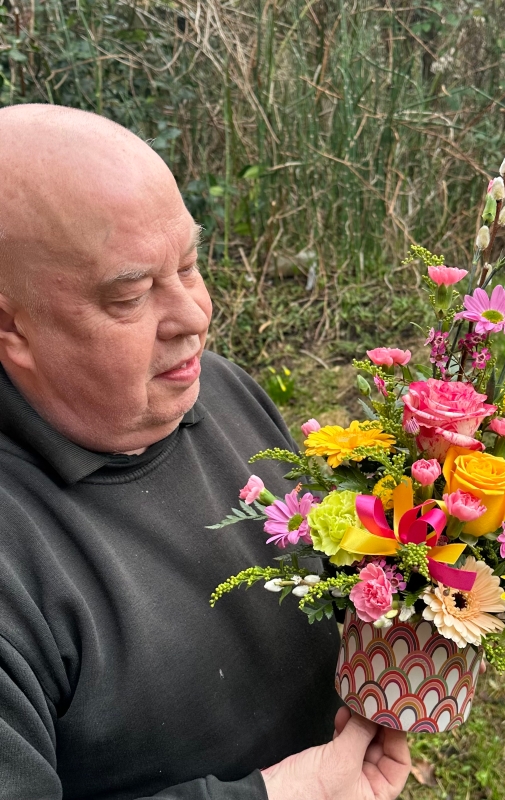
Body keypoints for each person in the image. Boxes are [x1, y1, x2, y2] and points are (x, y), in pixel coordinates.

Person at [0, 104, 411, 800]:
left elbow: (318, 568)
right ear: (13, 327)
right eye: (131, 296)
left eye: (190, 265)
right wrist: (281, 796)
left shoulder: (214, 389)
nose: (194, 316)